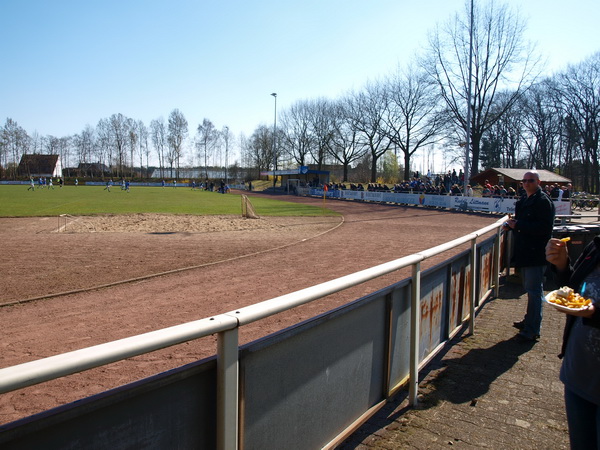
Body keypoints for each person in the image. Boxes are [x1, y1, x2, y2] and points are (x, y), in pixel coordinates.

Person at [546, 234, 600, 448]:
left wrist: (595, 314)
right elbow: (572, 291)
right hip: (578, 375)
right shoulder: (595, 247)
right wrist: (561, 265)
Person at [503, 170, 555, 341]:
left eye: (530, 180)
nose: (526, 183)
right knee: (530, 290)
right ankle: (529, 322)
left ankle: (532, 329)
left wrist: (518, 224)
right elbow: (525, 223)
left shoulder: (542, 201)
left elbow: (544, 228)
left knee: (534, 292)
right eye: (524, 181)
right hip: (525, 252)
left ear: (538, 182)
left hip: (535, 253)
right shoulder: (525, 200)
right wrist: (512, 225)